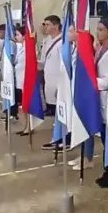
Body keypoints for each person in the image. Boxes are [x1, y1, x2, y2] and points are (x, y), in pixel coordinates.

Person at [90, 19, 108, 178]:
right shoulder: (99, 49)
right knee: (104, 139)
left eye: (101, 29)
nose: (98, 32)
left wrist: (92, 82)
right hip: (99, 98)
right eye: (97, 29)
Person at [40, 15, 64, 150]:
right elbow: (44, 61)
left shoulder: (62, 42)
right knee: (54, 112)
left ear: (55, 26)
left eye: (48, 24)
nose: (45, 27)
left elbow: (64, 65)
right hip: (48, 80)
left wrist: (61, 84)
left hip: (58, 81)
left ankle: (63, 139)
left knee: (60, 112)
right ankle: (57, 136)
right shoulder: (47, 40)